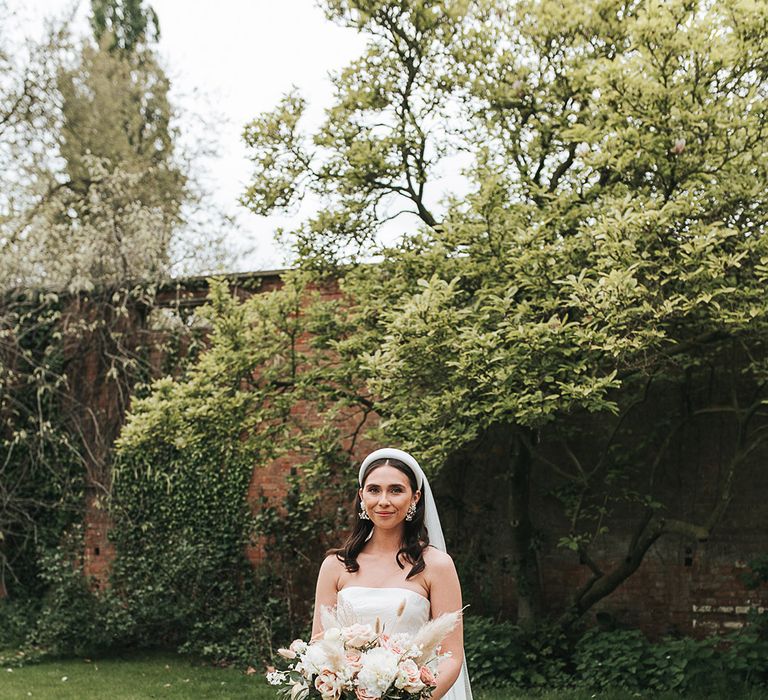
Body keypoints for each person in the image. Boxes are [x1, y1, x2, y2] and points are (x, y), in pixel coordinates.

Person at [311, 448, 473, 700]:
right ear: (361, 496)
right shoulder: (335, 565)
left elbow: (451, 655)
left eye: (396, 490)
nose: (383, 500)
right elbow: (320, 644)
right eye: (374, 489)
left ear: (415, 497)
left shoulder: (437, 565)